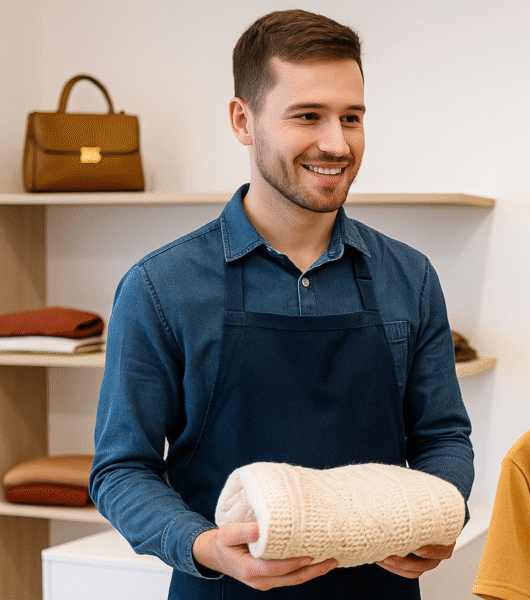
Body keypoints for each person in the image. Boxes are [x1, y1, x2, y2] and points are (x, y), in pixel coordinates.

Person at [89, 9, 474, 599]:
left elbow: (443, 436)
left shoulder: (410, 277)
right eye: (308, 117)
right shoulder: (160, 288)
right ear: (244, 121)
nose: (336, 143)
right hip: (223, 589)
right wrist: (201, 545)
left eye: (352, 117)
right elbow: (121, 469)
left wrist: (442, 514)